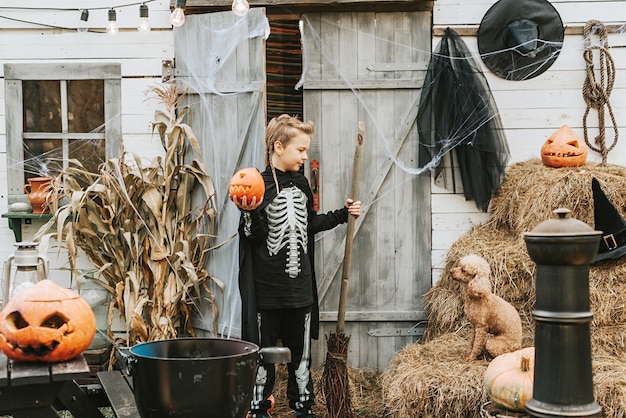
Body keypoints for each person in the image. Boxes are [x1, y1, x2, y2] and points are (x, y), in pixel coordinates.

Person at [232, 114, 361, 418]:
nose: (305, 156)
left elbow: (309, 224)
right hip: (267, 292)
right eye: (300, 150)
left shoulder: (302, 183)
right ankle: (259, 408)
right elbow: (253, 235)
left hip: (299, 290)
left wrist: (343, 214)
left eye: (306, 150)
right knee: (262, 356)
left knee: (301, 357)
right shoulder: (257, 185)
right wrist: (249, 213)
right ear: (279, 147)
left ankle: (302, 408)